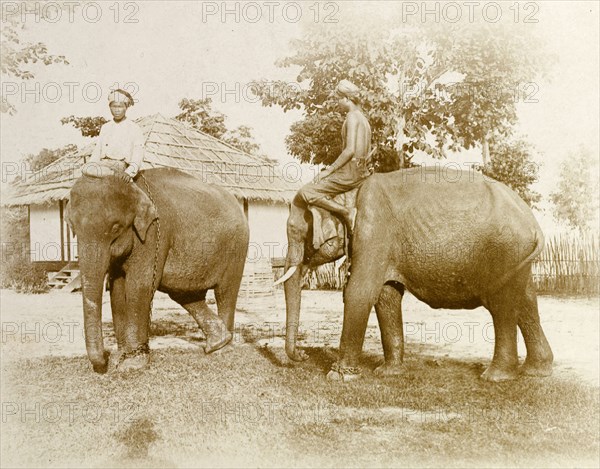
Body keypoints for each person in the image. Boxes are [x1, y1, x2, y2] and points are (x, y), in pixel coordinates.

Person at [296, 79, 372, 233]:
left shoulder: (351, 117)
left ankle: (346, 212)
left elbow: (349, 150)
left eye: (339, 98)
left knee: (306, 192)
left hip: (350, 172)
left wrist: (329, 170)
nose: (337, 102)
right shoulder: (364, 120)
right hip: (363, 171)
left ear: (347, 99)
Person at [88, 88, 145, 182]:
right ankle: (112, 174)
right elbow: (97, 150)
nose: (117, 110)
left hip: (120, 166)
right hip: (102, 167)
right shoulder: (105, 127)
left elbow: (138, 153)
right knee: (85, 169)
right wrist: (91, 165)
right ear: (110, 107)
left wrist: (129, 172)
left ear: (126, 107)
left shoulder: (134, 128)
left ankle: (116, 175)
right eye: (114, 106)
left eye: (120, 106)